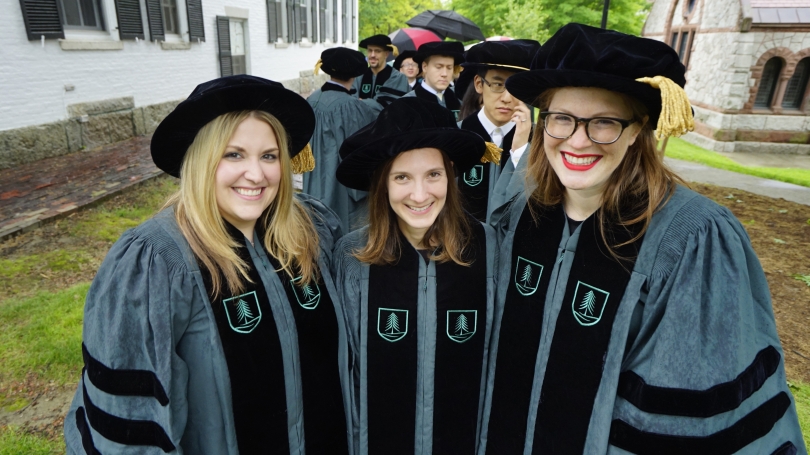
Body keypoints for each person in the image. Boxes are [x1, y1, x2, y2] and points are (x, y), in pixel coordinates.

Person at [479, 23, 807, 454]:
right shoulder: (521, 213)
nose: (578, 140)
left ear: (638, 130)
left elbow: (692, 405)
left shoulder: (693, 238)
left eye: (604, 122)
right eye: (562, 119)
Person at [64, 75, 352, 455]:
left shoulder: (311, 229)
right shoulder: (155, 261)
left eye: (269, 156)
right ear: (200, 161)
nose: (257, 174)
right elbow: (128, 423)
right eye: (233, 155)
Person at [332, 97, 500, 455]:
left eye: (433, 175)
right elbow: (346, 372)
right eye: (402, 177)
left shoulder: (489, 249)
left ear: (451, 174)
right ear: (383, 184)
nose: (420, 194)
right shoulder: (352, 256)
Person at [457, 39, 540, 222]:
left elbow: (538, 204)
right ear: (479, 84)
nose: (507, 98)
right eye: (497, 85)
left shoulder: (539, 142)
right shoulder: (456, 136)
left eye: (515, 87)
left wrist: (520, 152)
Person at [306, 47, 382, 233]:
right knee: (343, 229)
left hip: (313, 176)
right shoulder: (350, 106)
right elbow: (361, 148)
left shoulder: (312, 99)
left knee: (316, 223)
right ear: (354, 75)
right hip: (339, 183)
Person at [402, 41, 465, 120]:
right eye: (439, 67)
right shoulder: (406, 104)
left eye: (449, 68)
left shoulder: (461, 103)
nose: (444, 74)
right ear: (425, 67)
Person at [353, 34, 409, 100]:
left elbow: (388, 104)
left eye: (377, 51)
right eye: (370, 50)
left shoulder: (397, 77)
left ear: (386, 54)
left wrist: (362, 102)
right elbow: (352, 102)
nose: (372, 55)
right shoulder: (358, 77)